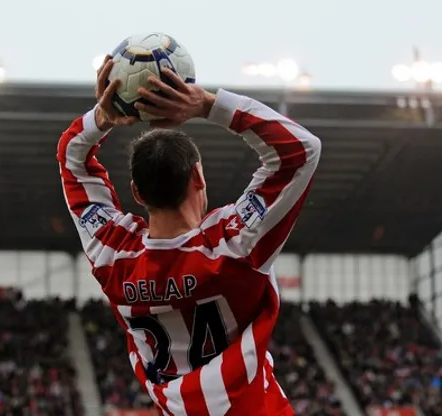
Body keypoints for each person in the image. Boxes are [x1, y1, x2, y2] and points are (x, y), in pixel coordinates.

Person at [57, 55, 321, 416]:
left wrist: (101, 118)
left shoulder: (112, 255)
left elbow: (72, 159)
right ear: (198, 177)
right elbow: (300, 151)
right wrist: (208, 105)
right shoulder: (234, 244)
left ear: (137, 191)